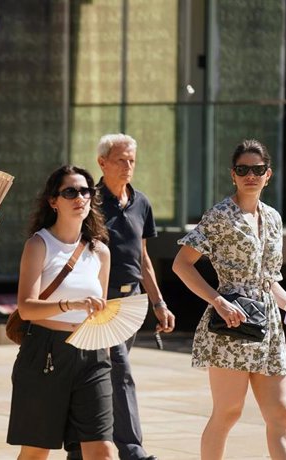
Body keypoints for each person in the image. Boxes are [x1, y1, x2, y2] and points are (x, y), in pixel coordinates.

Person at [172, 139, 286, 459]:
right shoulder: (220, 215)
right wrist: (217, 301)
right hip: (231, 323)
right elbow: (181, 264)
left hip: (269, 329)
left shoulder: (274, 219)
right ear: (233, 175)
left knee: (282, 415)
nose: (250, 175)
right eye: (243, 169)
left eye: (258, 169)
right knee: (228, 412)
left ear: (269, 174)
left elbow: (269, 280)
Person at [70, 134, 175, 460]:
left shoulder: (141, 202)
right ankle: (133, 450)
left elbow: (143, 259)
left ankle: (77, 448)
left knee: (100, 378)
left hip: (133, 303)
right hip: (101, 303)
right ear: (102, 162)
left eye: (132, 160)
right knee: (121, 372)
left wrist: (159, 303)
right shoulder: (90, 202)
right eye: (121, 160)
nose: (128, 166)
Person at [6, 165, 116, 460]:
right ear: (53, 201)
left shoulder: (100, 252)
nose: (79, 197)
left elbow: (100, 312)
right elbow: (27, 308)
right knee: (36, 452)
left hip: (91, 356)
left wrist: (105, 353)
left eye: (85, 191)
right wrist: (71, 305)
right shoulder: (39, 244)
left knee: (103, 451)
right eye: (70, 192)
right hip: (45, 352)